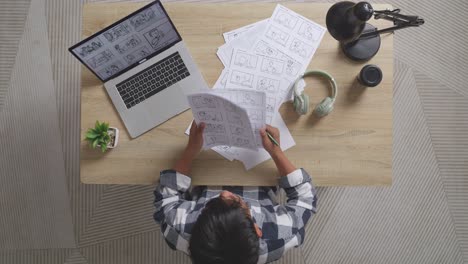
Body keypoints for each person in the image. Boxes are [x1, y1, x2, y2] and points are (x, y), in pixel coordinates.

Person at [154, 121, 317, 264]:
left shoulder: (178, 229)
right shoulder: (281, 237)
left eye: (211, 206)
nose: (225, 193)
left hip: (206, 170)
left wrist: (190, 150)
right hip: (260, 176)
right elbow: (306, 198)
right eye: (237, 203)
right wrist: (276, 152)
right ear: (258, 230)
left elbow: (166, 198)